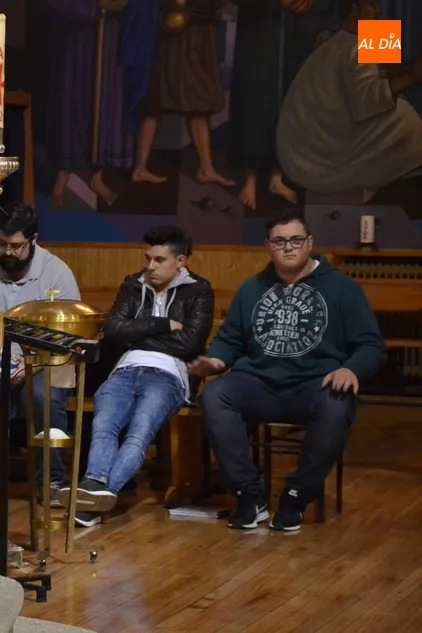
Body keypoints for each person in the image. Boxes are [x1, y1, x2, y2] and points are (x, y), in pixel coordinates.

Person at [191, 208, 386, 531]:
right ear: (268, 246)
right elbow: (230, 339)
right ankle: (248, 496)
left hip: (315, 385)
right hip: (259, 383)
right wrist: (216, 360)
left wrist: (351, 369)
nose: (288, 247)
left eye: (296, 240)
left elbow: (371, 345)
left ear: (309, 242)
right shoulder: (252, 288)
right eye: (279, 241)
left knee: (337, 403)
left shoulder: (342, 288)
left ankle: (296, 498)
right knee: (215, 395)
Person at [58, 226, 214, 527]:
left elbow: (190, 343)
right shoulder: (133, 284)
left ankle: (98, 495)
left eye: (159, 260)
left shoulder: (199, 290)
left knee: (138, 434)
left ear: (180, 261)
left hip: (169, 374)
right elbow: (113, 330)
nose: (150, 266)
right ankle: (94, 487)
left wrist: (136, 336)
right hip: (125, 368)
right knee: (103, 425)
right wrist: (163, 324)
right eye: (148, 258)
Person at [0, 201, 80, 504]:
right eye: (2, 244)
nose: (7, 252)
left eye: (16, 246)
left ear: (33, 240)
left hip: (45, 363)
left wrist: (30, 362)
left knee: (43, 396)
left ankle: (50, 482)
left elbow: (70, 336)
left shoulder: (57, 273)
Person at [276, 0, 422, 193]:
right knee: (387, 102)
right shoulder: (357, 36)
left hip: (397, 16)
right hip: (380, 19)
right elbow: (368, 89)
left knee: (392, 94)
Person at [44, 0, 158, 207]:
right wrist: (93, 7)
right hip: (77, 35)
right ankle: (62, 177)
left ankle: (97, 177)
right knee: (72, 101)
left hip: (111, 34)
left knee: (106, 102)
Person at [229, 0, 336, 209]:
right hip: (262, 31)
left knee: (290, 97)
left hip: (303, 31)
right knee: (257, 98)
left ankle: (276, 175)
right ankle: (255, 175)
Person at [133, 0, 233, 186]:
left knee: (198, 103)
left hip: (197, 38)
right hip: (173, 37)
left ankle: (206, 168)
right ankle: (140, 167)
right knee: (155, 101)